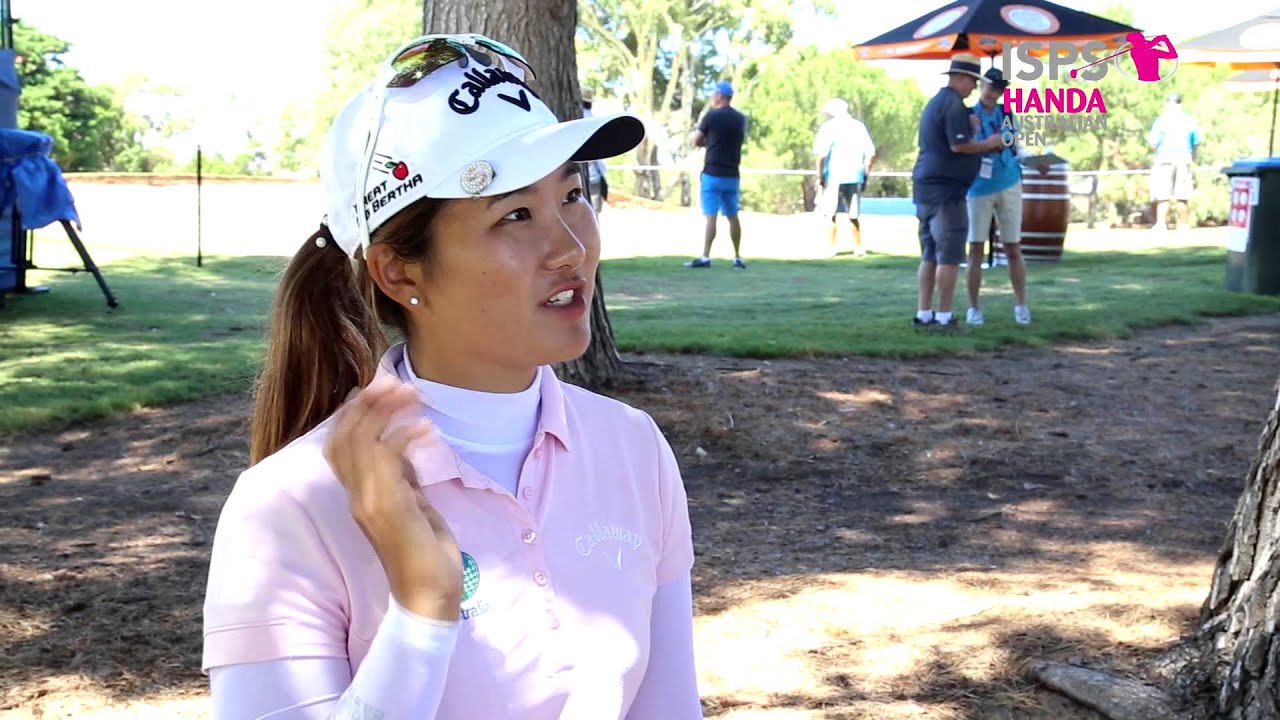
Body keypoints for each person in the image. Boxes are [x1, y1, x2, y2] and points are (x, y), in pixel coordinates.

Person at [201, 34, 701, 720]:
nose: (572, 247)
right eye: (515, 214)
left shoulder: (633, 448)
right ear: (399, 271)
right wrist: (422, 611)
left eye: (574, 195)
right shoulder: (287, 507)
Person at [911, 53, 1006, 329]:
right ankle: (944, 314)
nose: (974, 88)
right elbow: (959, 146)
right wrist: (988, 143)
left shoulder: (937, 103)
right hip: (946, 191)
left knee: (929, 252)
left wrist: (972, 128)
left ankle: (924, 312)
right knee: (949, 253)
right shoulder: (953, 105)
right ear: (962, 78)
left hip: (926, 187)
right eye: (973, 82)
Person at [965, 68, 1039, 326]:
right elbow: (963, 147)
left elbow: (1014, 144)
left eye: (998, 89)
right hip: (977, 186)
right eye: (989, 86)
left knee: (1012, 247)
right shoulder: (967, 115)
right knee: (975, 248)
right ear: (981, 85)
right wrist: (985, 142)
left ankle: (1021, 304)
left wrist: (1033, 160)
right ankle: (974, 308)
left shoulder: (1006, 113)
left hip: (1008, 180)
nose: (992, 92)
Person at [686, 80, 747, 269]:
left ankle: (705, 256)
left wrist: (709, 143)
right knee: (732, 215)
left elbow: (697, 140)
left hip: (712, 173)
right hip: (732, 174)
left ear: (720, 96)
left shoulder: (711, 116)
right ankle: (737, 257)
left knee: (711, 216)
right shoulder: (740, 118)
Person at [813, 97, 876, 258]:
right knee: (853, 214)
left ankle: (831, 248)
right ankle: (858, 247)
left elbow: (821, 155)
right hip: (855, 175)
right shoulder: (858, 127)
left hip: (833, 175)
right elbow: (871, 153)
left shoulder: (828, 128)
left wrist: (819, 175)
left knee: (830, 213)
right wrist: (865, 173)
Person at [1148, 93, 1201, 231]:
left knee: (1163, 194)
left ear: (1167, 104)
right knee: (1182, 195)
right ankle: (1184, 225)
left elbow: (1153, 143)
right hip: (1184, 157)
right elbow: (1197, 142)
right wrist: (1194, 157)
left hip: (1165, 157)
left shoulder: (1161, 121)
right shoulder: (1189, 120)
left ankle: (1161, 225)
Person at [581, 84, 609, 213]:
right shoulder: (594, 119)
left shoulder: (578, 116)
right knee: (594, 213)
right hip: (594, 175)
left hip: (581, 176)